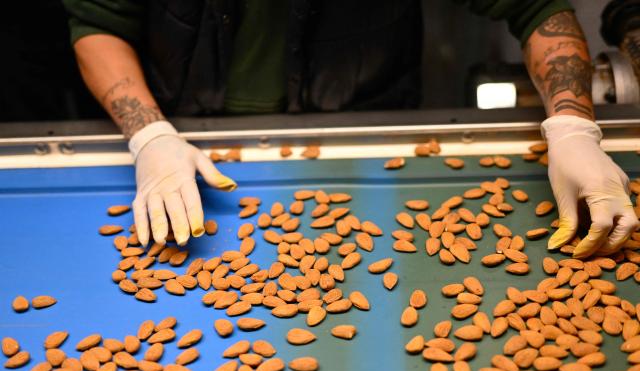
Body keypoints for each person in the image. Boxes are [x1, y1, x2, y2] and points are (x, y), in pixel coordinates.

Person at [63, 0, 638, 258]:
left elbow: (538, 10)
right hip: (182, 120)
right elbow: (96, 24)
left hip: (364, 112)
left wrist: (571, 125)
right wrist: (150, 136)